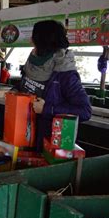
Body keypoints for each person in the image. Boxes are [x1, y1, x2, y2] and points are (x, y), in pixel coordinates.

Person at [17, 20, 91, 148]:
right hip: (24, 137)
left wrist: (47, 109)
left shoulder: (65, 74)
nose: (30, 40)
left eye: (34, 37)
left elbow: (85, 111)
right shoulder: (32, 65)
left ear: (42, 41)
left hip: (48, 144)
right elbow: (27, 87)